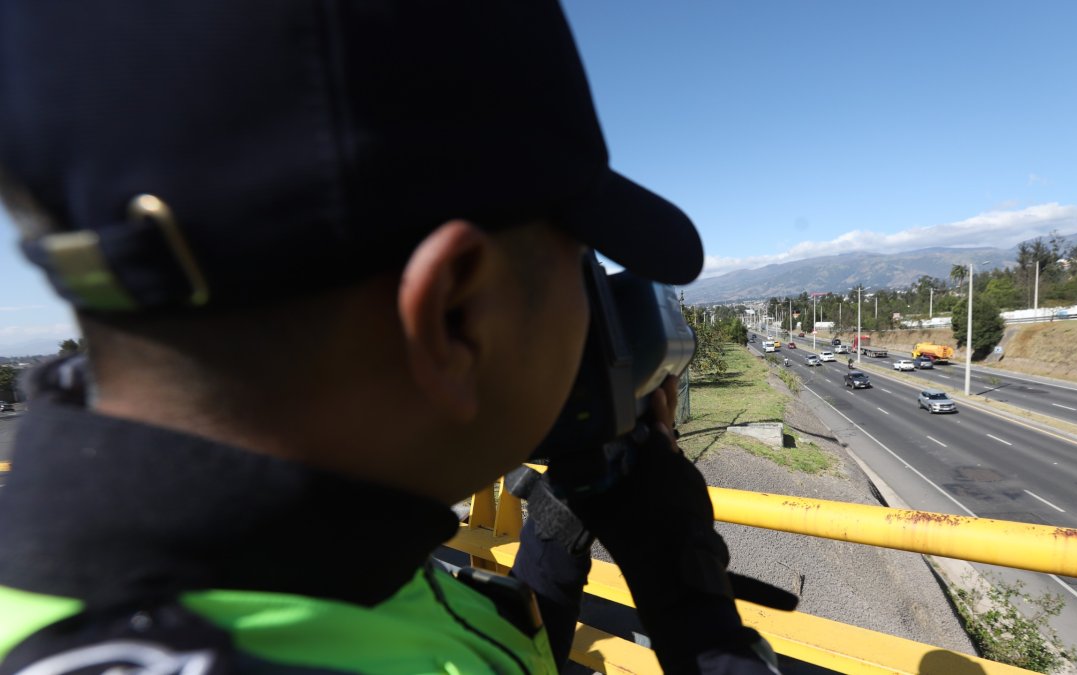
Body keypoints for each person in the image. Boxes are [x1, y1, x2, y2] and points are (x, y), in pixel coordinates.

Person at [0, 1, 779, 673]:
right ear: (454, 315)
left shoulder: (300, 566)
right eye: (580, 259)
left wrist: (556, 530)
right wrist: (689, 595)